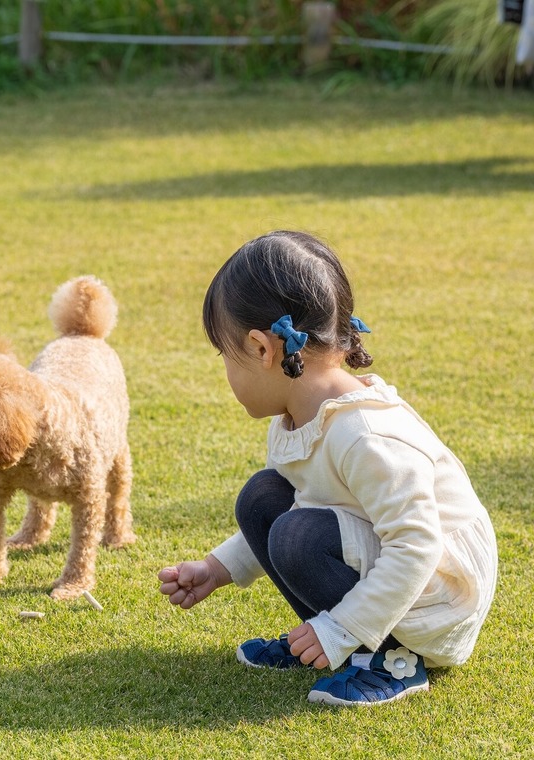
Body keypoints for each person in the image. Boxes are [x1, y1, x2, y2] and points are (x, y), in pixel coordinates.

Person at [157, 230, 497, 706]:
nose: (226, 372)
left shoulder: (364, 434)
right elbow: (305, 500)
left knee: (296, 534)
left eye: (224, 356)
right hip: (393, 562)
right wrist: (219, 568)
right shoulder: (302, 418)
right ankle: (337, 640)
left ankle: (395, 659)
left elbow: (417, 545)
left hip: (440, 595)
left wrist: (341, 626)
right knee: (264, 497)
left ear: (261, 348)